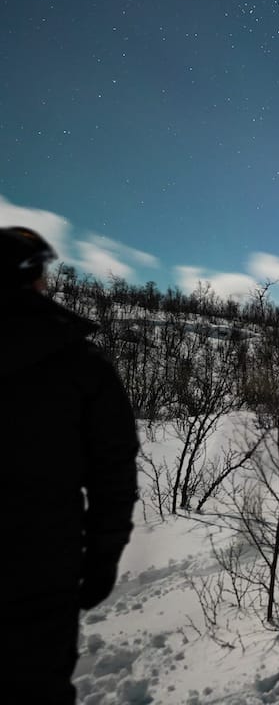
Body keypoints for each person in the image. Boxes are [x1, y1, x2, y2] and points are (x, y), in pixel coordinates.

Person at [0, 226, 140, 704]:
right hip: (41, 567)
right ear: (36, 277)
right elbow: (113, 473)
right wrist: (103, 557)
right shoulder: (81, 364)